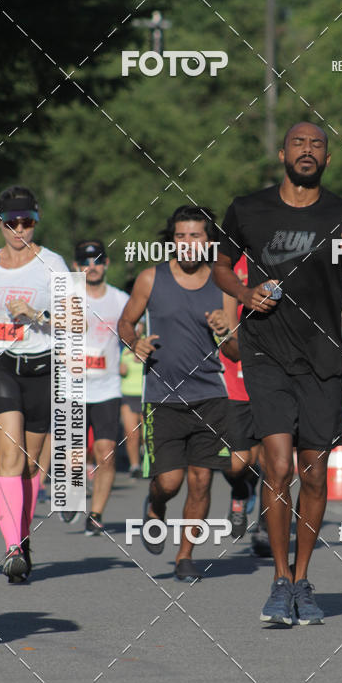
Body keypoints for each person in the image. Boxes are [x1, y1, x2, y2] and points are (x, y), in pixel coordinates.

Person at [213, 121, 342, 625]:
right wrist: (244, 295)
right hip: (265, 351)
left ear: (327, 159)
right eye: (299, 144)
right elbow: (220, 265)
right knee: (278, 466)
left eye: (317, 145)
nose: (307, 151)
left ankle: (304, 579)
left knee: (314, 473)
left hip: (322, 358)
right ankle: (279, 579)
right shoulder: (247, 208)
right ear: (282, 153)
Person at [118, 205, 232, 581]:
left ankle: (185, 556)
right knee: (170, 481)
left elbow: (235, 350)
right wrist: (135, 342)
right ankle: (154, 505)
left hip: (210, 395)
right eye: (180, 236)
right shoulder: (151, 278)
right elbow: (125, 322)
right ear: (172, 240)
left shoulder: (223, 283)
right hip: (162, 398)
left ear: (209, 241)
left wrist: (225, 329)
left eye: (195, 235)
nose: (187, 244)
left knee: (202, 479)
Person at [0, 185, 67, 582]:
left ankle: (22, 537)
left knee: (32, 467)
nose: (19, 230)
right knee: (10, 454)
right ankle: (12, 546)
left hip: (41, 369)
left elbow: (75, 320)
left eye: (27, 222)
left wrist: (37, 313)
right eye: (11, 222)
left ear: (36, 220)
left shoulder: (53, 264)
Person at [61, 240, 129, 535]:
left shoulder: (121, 300)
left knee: (106, 453)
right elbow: (52, 332)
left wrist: (131, 351)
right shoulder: (68, 297)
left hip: (107, 387)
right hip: (71, 386)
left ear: (107, 263)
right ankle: (71, 494)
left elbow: (133, 332)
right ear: (77, 266)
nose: (92, 266)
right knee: (73, 454)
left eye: (97, 260)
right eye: (86, 261)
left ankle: (96, 514)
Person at [205, 254, 269, 555]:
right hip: (235, 382)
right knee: (237, 464)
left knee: (276, 463)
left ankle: (266, 530)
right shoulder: (227, 265)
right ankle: (241, 491)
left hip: (273, 382)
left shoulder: (281, 257)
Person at [119, 320, 145, 479]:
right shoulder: (123, 345)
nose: (136, 329)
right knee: (131, 434)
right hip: (128, 393)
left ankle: (148, 462)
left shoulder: (148, 342)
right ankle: (134, 466)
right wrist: (120, 368)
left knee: (147, 435)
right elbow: (114, 365)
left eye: (139, 325)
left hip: (145, 395)